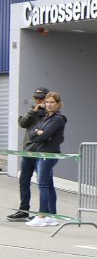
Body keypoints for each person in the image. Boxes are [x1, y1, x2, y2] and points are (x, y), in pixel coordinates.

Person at [12, 90, 67, 225]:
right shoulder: (45, 117)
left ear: (58, 104)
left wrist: (40, 134)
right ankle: (50, 216)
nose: (47, 104)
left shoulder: (58, 118)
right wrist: (38, 132)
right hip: (36, 152)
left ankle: (42, 216)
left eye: (51, 102)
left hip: (47, 154)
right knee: (46, 185)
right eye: (46, 102)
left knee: (43, 185)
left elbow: (44, 136)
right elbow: (32, 133)